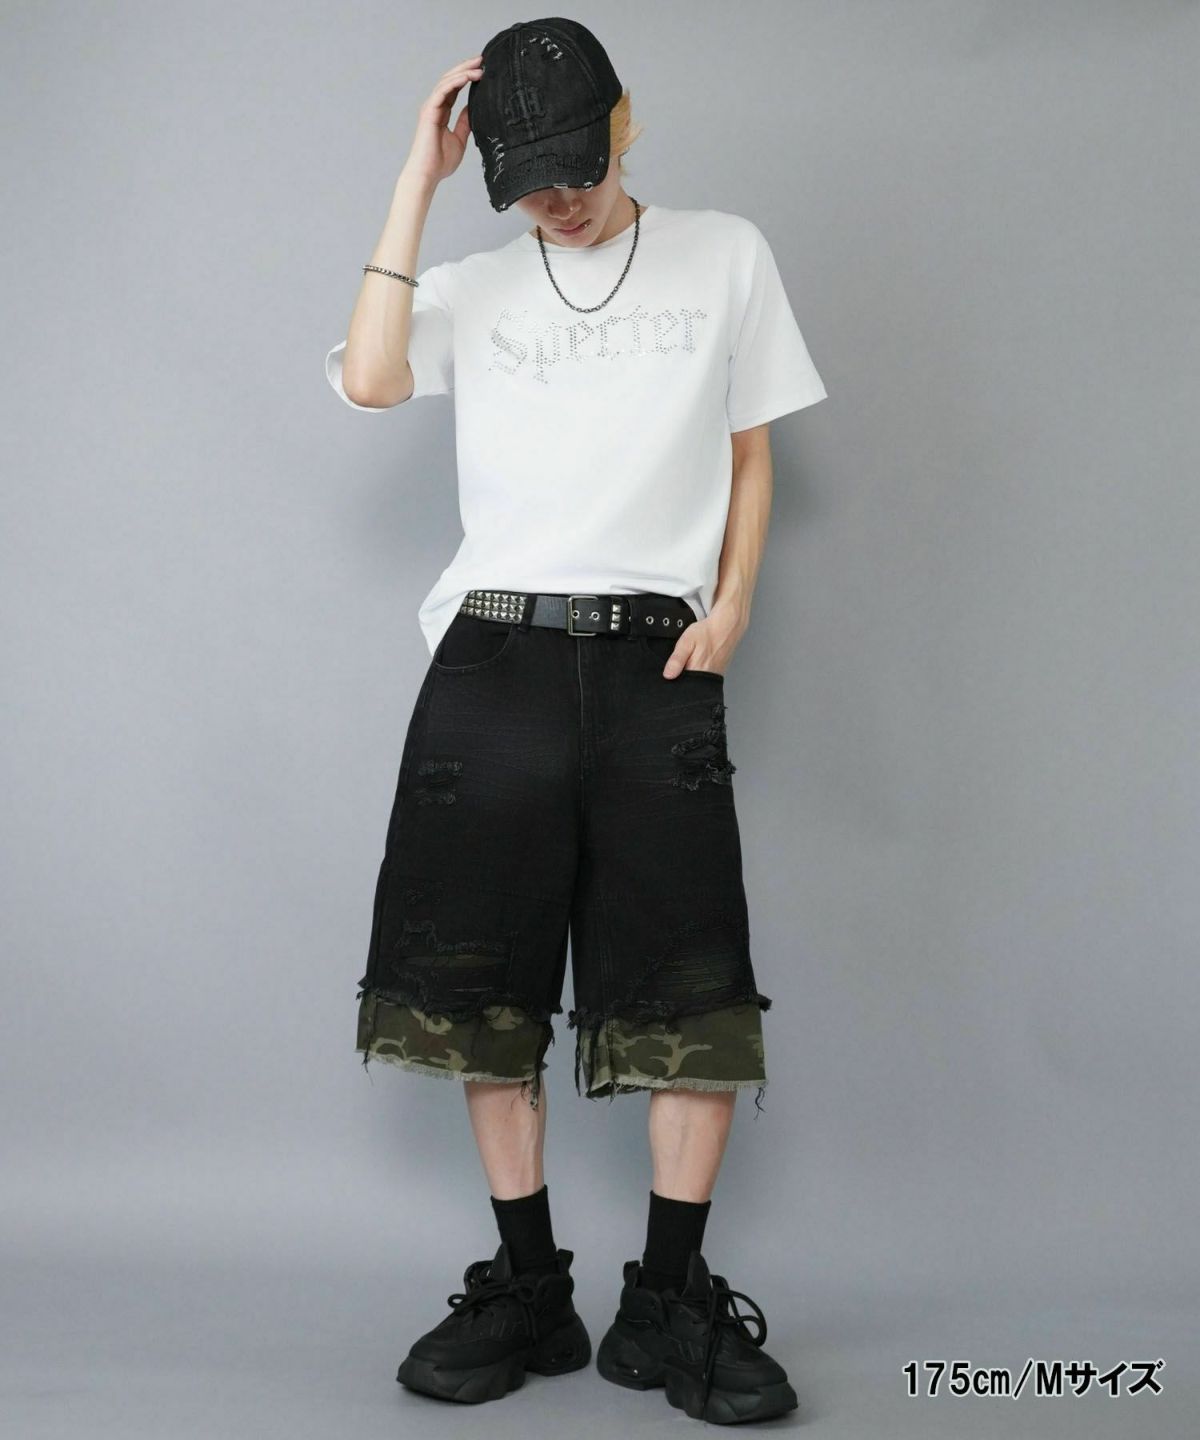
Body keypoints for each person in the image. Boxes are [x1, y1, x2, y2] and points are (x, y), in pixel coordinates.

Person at [325, 17, 826, 1425]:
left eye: (577, 168)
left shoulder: (725, 254)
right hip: (495, 661)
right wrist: (415, 183)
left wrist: (733, 601)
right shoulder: (474, 284)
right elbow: (371, 378)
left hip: (658, 659)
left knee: (690, 988)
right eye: (526, 179)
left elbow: (751, 449)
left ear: (626, 124)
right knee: (481, 989)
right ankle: (530, 1287)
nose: (558, 199)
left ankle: (668, 1303)